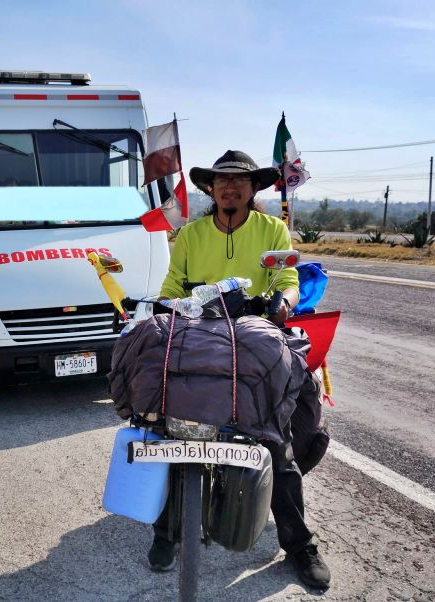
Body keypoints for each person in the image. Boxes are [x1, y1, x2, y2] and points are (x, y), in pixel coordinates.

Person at [148, 150, 331, 590]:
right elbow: (173, 285)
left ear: (254, 189)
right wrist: (165, 305)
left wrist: (282, 304)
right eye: (222, 181)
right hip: (200, 337)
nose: (230, 187)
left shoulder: (272, 229)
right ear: (210, 188)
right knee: (169, 429)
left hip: (256, 337)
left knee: (275, 439)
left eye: (240, 181)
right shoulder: (190, 235)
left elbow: (287, 279)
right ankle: (166, 531)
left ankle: (299, 545)